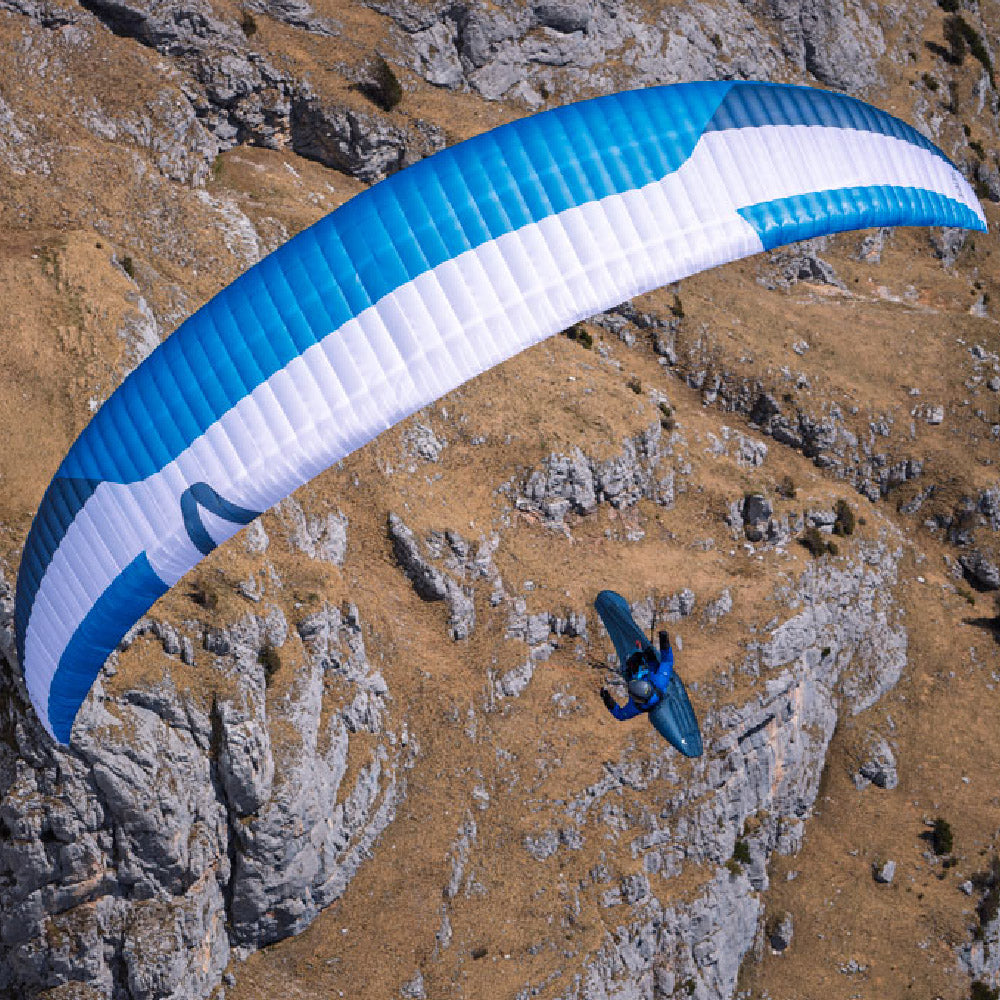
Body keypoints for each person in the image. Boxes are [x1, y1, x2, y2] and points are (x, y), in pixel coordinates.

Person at [601, 630, 674, 721]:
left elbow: (620, 715)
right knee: (645, 660)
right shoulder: (659, 682)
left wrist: (607, 699)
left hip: (635, 669)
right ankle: (641, 655)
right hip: (649, 665)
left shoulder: (635, 707)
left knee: (635, 663)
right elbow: (667, 661)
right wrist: (663, 639)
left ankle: (637, 657)